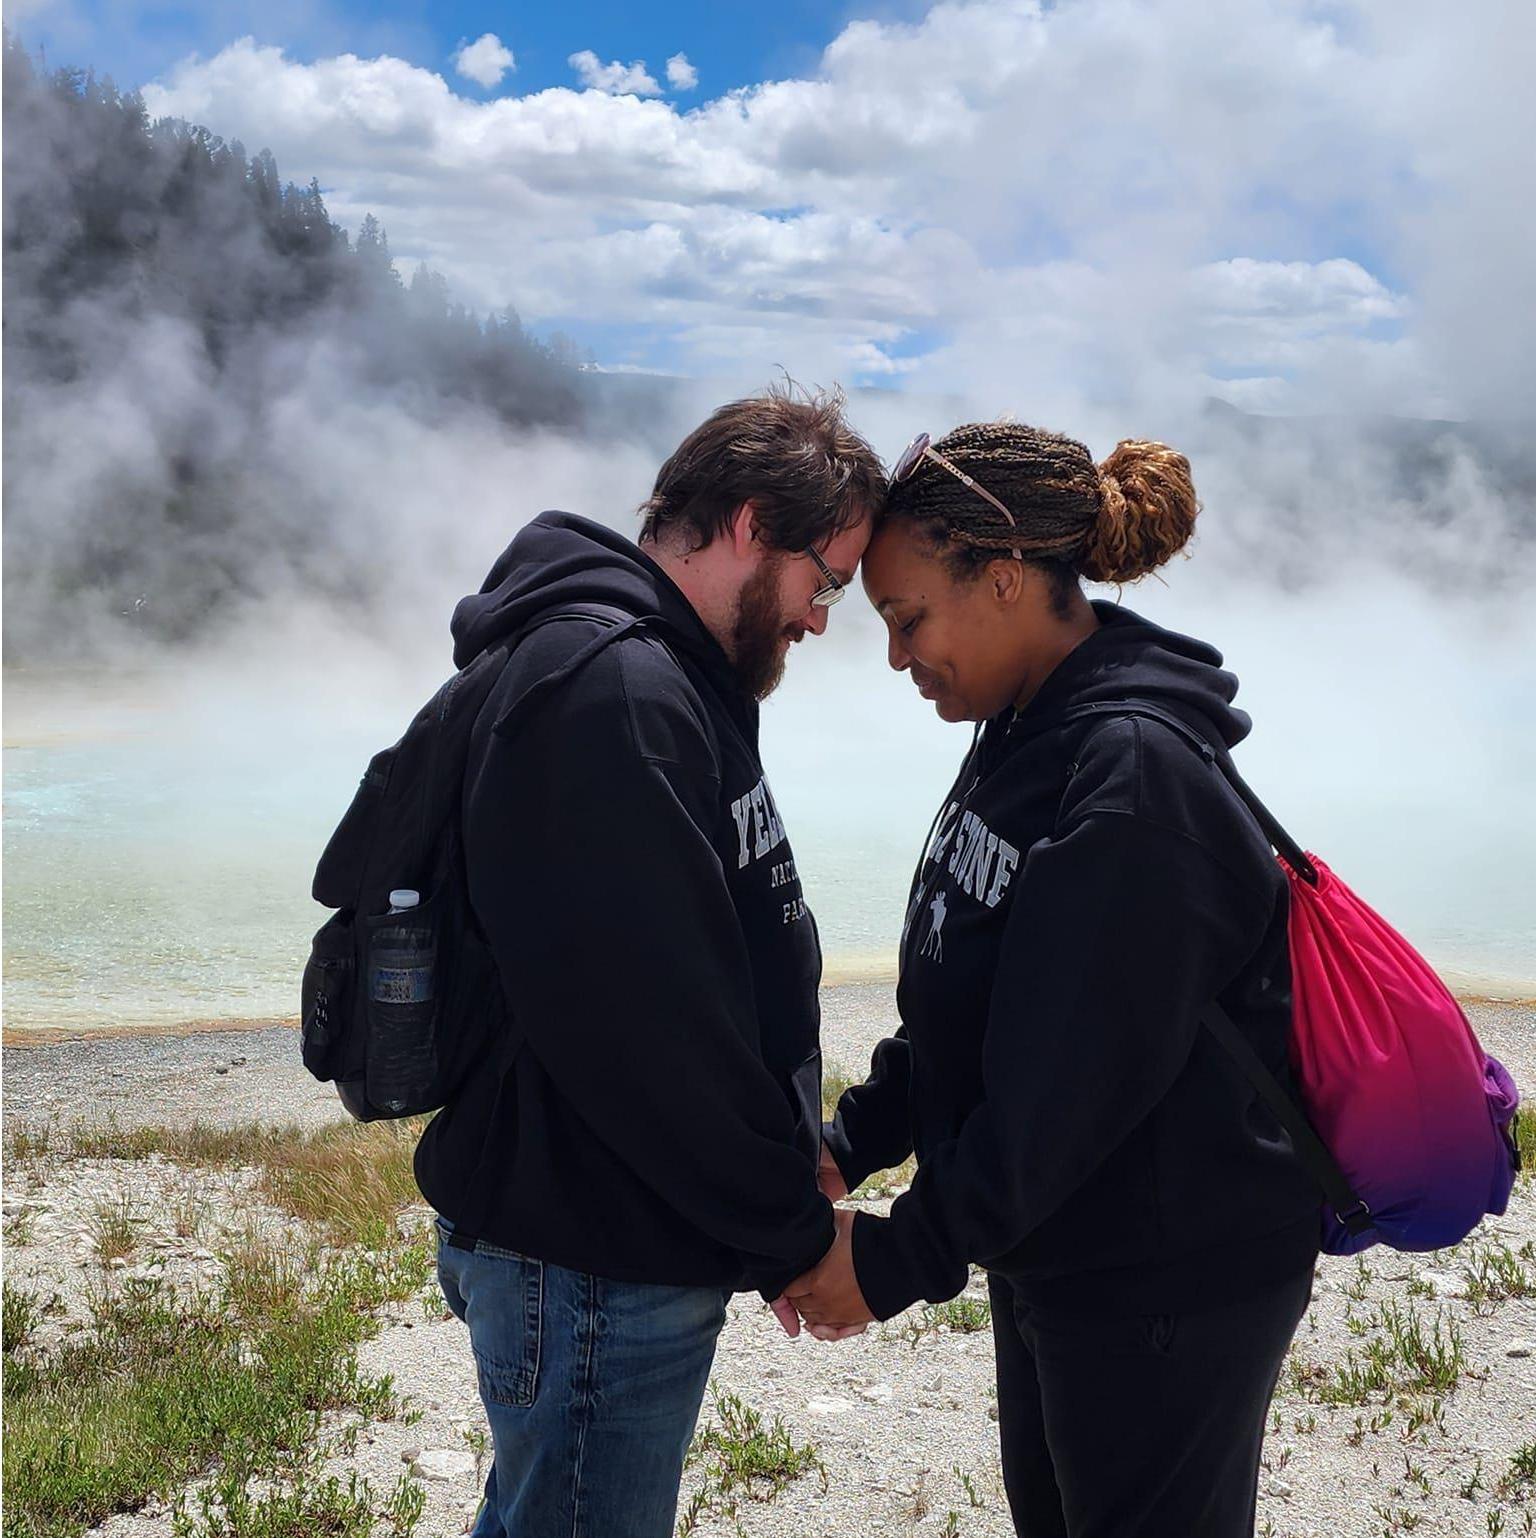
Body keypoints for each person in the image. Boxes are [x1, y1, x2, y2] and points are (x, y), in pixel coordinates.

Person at [786, 422, 1322, 1538]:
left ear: (1005, 576)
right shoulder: (1025, 724)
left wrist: (893, 1258)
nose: (896, 656)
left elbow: (1063, 1093)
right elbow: (980, 1003)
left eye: (906, 617)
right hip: (1071, 1244)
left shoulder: (1129, 771)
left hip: (1171, 1272)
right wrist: (853, 1138)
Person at [414, 387, 886, 1538]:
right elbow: (647, 1034)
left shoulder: (667, 677)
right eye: (826, 581)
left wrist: (802, 1154)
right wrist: (789, 1234)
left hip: (607, 1242)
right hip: (588, 1255)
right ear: (749, 522)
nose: (824, 619)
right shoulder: (609, 692)